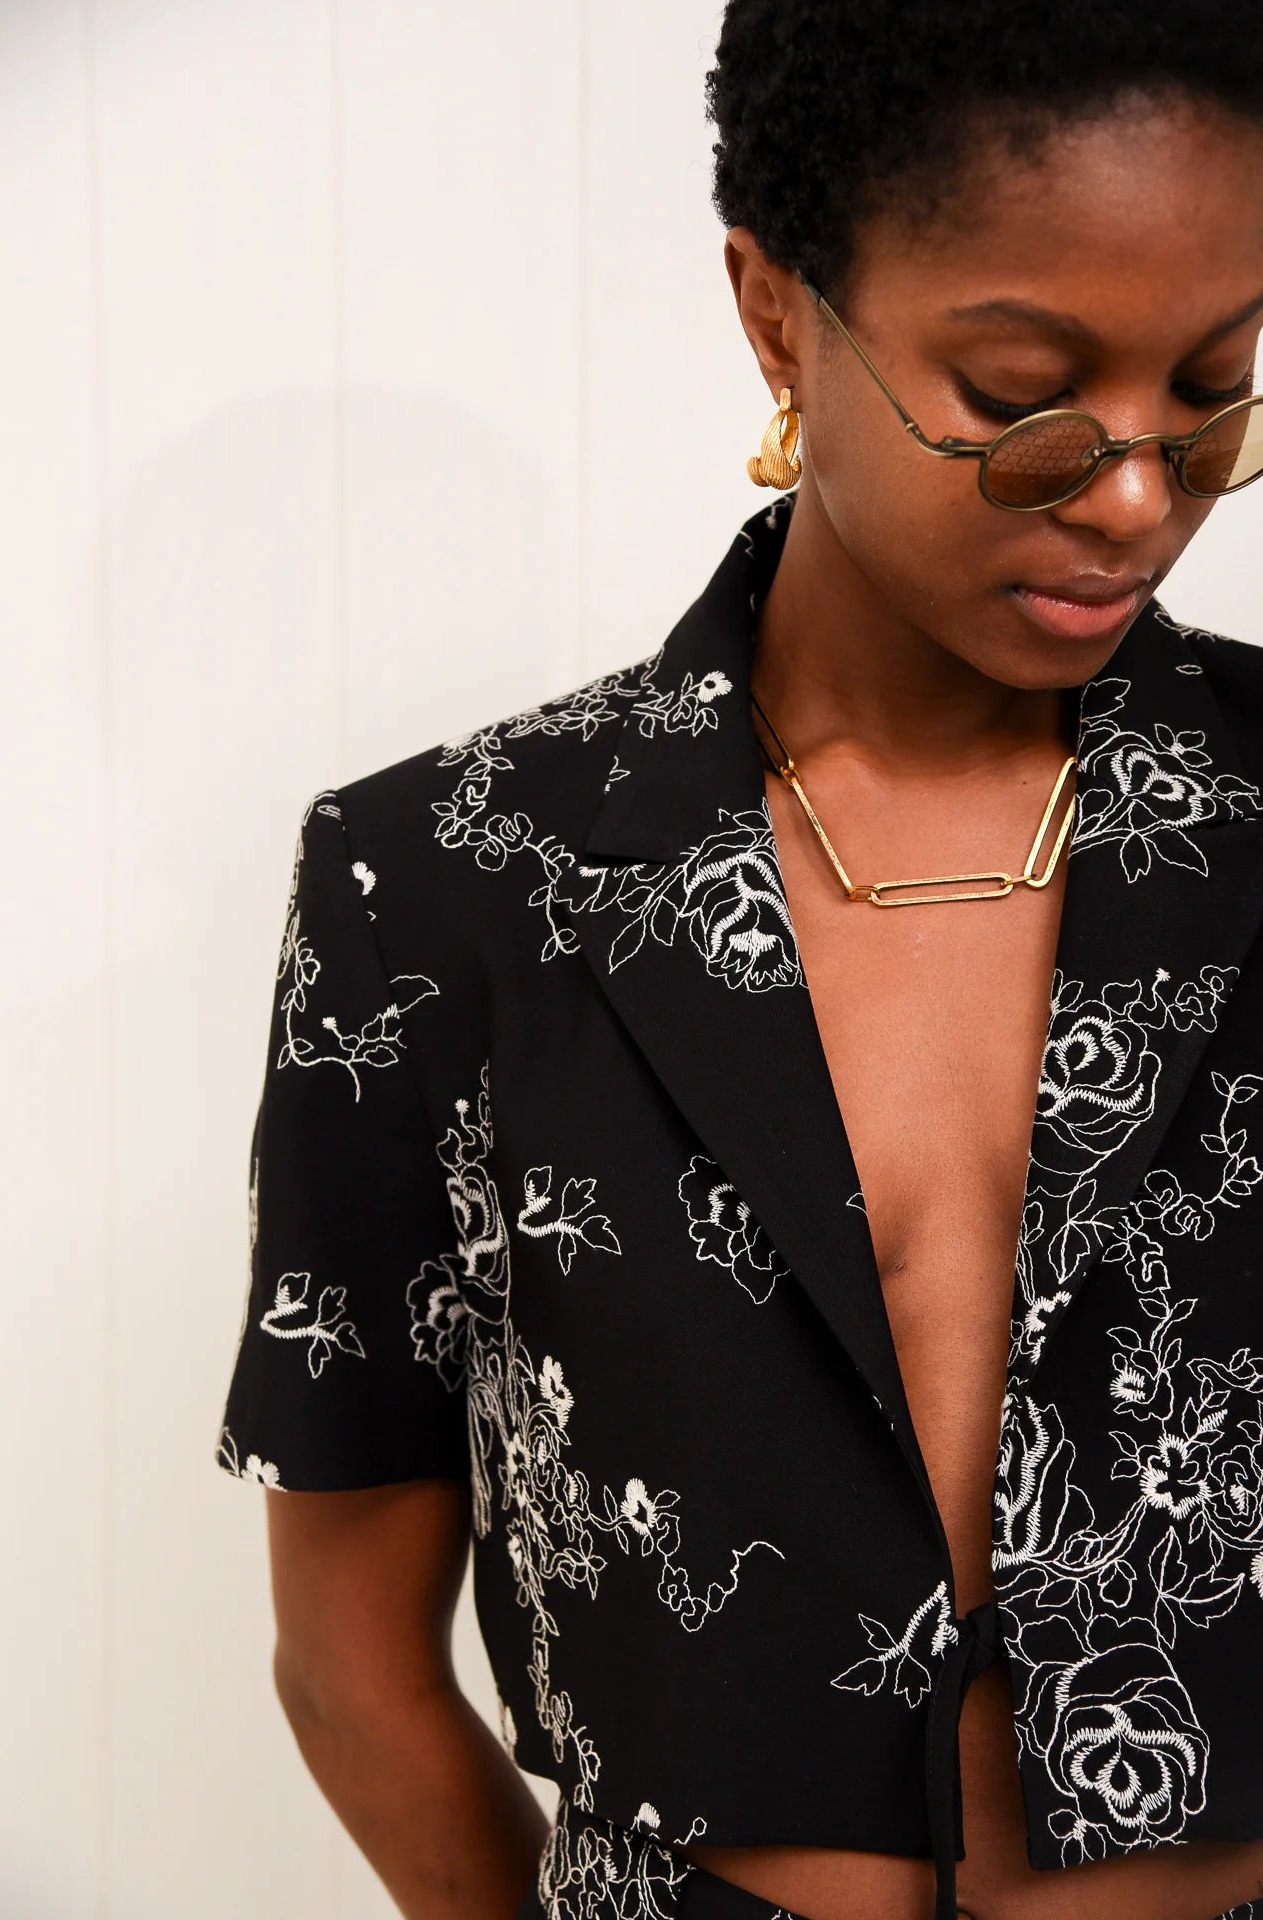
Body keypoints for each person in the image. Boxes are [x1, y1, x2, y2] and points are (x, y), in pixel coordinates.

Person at [215, 3, 1263, 1917]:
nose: (1134, 497)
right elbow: (352, 1661)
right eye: (1020, 395)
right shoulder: (444, 888)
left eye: (1213, 391)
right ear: (778, 314)